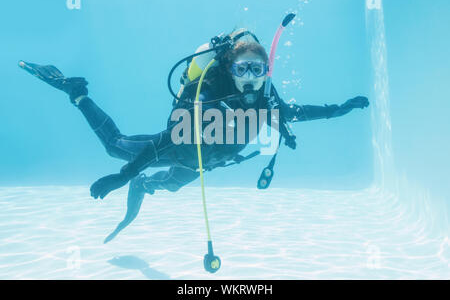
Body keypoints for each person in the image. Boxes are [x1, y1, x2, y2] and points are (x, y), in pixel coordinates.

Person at [19, 29, 369, 242]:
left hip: (201, 164)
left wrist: (341, 108)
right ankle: (76, 91)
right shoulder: (210, 98)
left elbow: (301, 112)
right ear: (230, 70)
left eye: (257, 70)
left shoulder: (266, 102)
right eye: (242, 69)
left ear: (266, 72)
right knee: (115, 147)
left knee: (169, 185)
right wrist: (124, 176)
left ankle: (145, 186)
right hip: (182, 150)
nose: (249, 77)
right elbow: (167, 142)